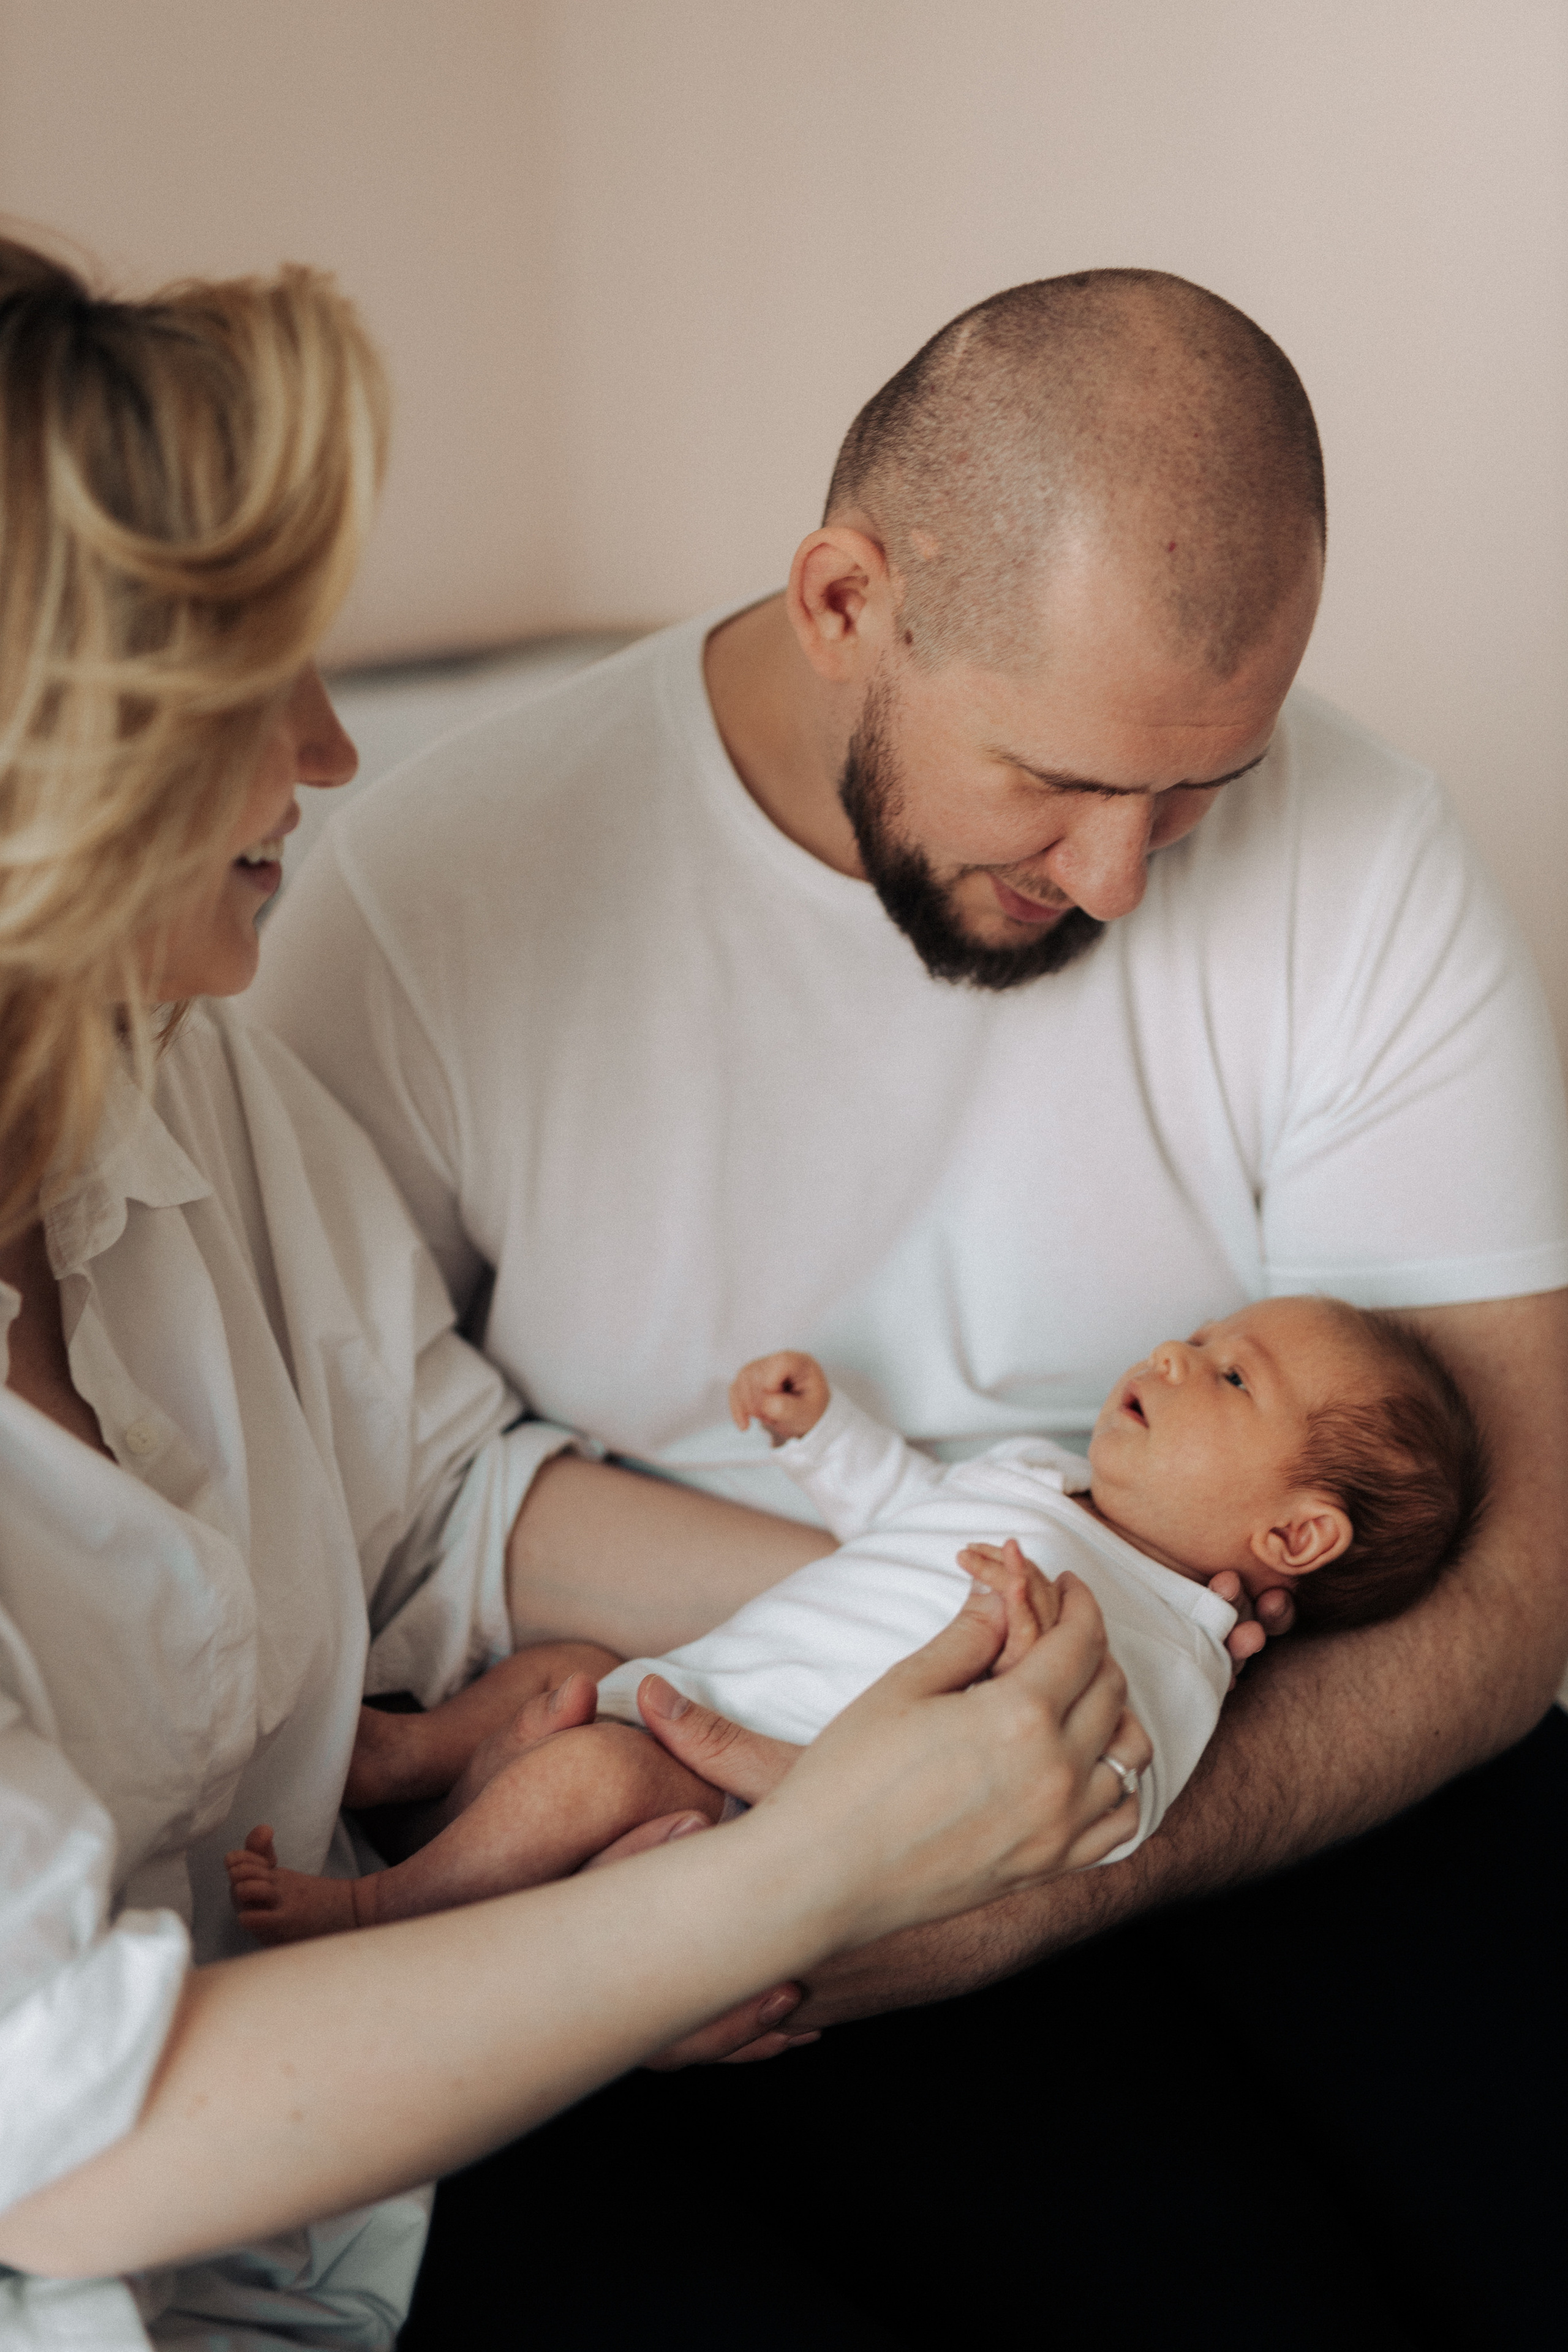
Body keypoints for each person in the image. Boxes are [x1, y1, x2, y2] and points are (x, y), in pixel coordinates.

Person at [254, 269, 1568, 2345]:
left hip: (1223, 1746)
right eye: (1057, 780)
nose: (1124, 879)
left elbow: (1520, 1559)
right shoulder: (435, 897)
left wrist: (1026, 1861)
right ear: (846, 599)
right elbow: (367, 1508)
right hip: (701, 1786)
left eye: (1201, 789)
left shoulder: (1367, 851)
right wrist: (840, 1799)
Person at [0, 235, 1153, 2352]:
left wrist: (970, 1610)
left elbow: (443, 1510)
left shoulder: (174, 1086)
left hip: (371, 2188)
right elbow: (70, 2128)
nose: (332, 755)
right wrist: (795, 1876)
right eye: (256, 695)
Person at [225, 1295, 1486, 1946]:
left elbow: (1107, 1809)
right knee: (563, 1666)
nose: (1170, 1352)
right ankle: (404, 1755)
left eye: (1230, 1375)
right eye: (1201, 1336)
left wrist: (1031, 1667)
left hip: (732, 1800)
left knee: (593, 1772)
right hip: (676, 1685)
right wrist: (823, 1433)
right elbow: (903, 1509)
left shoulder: (1169, 1646)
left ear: (1295, 1538)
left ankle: (382, 1915)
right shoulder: (1041, 1479)